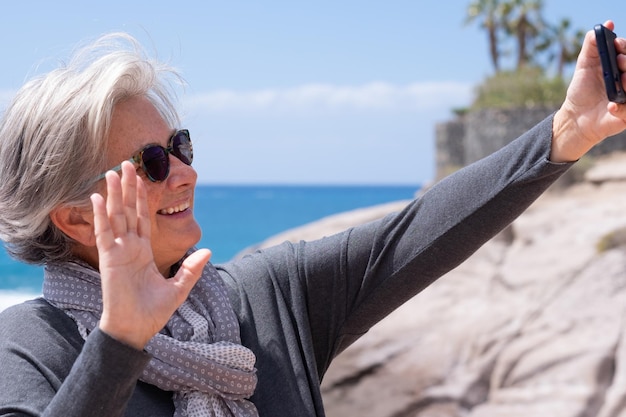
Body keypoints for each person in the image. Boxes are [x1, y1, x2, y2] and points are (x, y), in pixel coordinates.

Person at [0, 19, 625, 417]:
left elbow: (422, 229)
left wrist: (564, 133)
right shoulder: (29, 347)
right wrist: (121, 342)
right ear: (78, 220)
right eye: (152, 161)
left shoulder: (263, 300)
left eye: (181, 146)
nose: (186, 172)